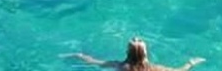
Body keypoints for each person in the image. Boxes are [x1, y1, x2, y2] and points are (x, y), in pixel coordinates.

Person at [62, 37, 205, 71]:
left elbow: (93, 61)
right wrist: (191, 62)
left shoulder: (119, 66)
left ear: (126, 52)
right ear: (145, 53)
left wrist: (78, 55)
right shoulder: (155, 68)